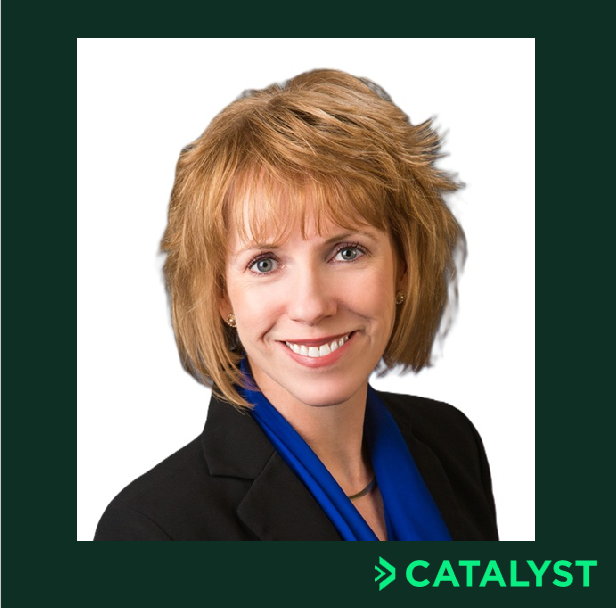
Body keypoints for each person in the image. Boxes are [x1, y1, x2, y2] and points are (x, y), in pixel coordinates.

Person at [94, 69, 498, 541]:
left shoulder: (451, 444)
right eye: (264, 263)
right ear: (221, 295)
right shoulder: (152, 531)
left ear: (404, 266)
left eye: (347, 252)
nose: (311, 306)